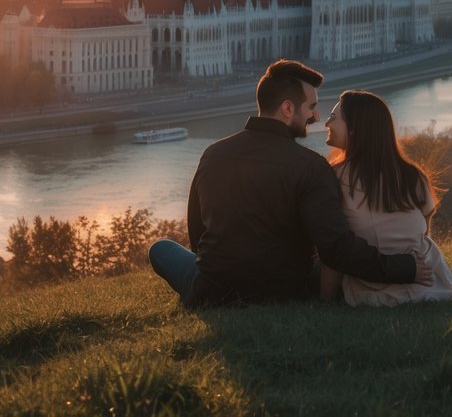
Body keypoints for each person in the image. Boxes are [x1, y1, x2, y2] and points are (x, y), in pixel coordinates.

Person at [148, 59, 432, 307]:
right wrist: (404, 268)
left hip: (211, 291)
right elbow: (335, 248)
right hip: (285, 290)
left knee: (160, 248)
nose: (317, 117)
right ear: (287, 108)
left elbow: (197, 235)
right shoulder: (311, 167)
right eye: (312, 107)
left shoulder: (212, 154)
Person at [320, 90, 452, 306]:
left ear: (355, 130)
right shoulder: (412, 175)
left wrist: (324, 301)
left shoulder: (334, 177)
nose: (327, 123)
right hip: (432, 282)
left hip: (372, 290)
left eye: (333, 118)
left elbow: (333, 247)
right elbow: (424, 228)